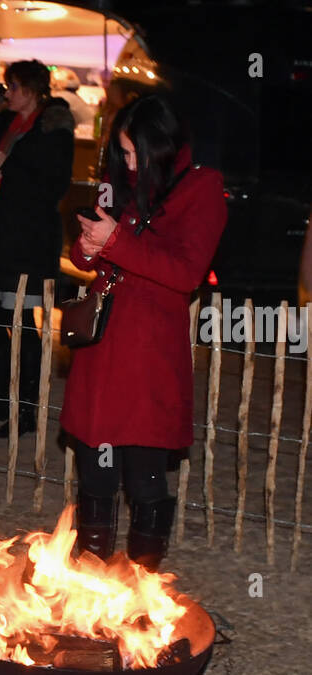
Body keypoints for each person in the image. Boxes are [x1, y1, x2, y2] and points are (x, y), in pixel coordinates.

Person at [61, 94, 227, 568]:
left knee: (144, 473)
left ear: (164, 145)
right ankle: (90, 580)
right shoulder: (122, 187)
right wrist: (91, 246)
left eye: (136, 153)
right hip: (102, 345)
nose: (129, 164)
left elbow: (185, 272)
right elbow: (84, 255)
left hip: (149, 354)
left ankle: (140, 583)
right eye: (123, 153)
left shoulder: (202, 188)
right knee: (94, 467)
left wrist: (116, 241)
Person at [0, 58, 74, 434]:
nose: (8, 93)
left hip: (26, 241)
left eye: (13, 87)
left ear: (32, 90)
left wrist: (10, 164)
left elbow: (52, 184)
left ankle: (28, 407)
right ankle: (1, 397)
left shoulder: (52, 128)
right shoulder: (6, 122)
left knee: (23, 322)